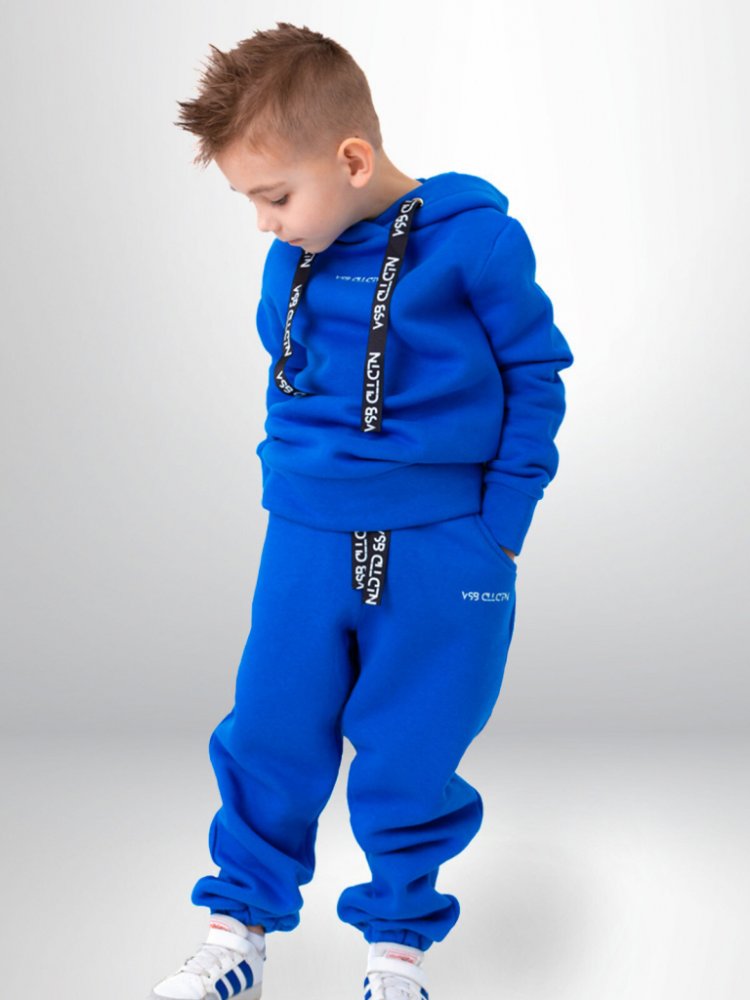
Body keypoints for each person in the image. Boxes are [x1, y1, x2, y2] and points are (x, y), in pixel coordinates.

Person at [149, 20, 574, 1000]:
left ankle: (396, 955)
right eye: (250, 201)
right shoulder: (294, 255)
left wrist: (500, 527)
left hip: (444, 544)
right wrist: (289, 481)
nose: (264, 223)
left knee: (413, 747)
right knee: (269, 730)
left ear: (351, 160)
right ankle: (237, 934)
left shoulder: (478, 243)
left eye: (274, 197)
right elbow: (292, 370)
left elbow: (537, 374)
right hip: (305, 535)